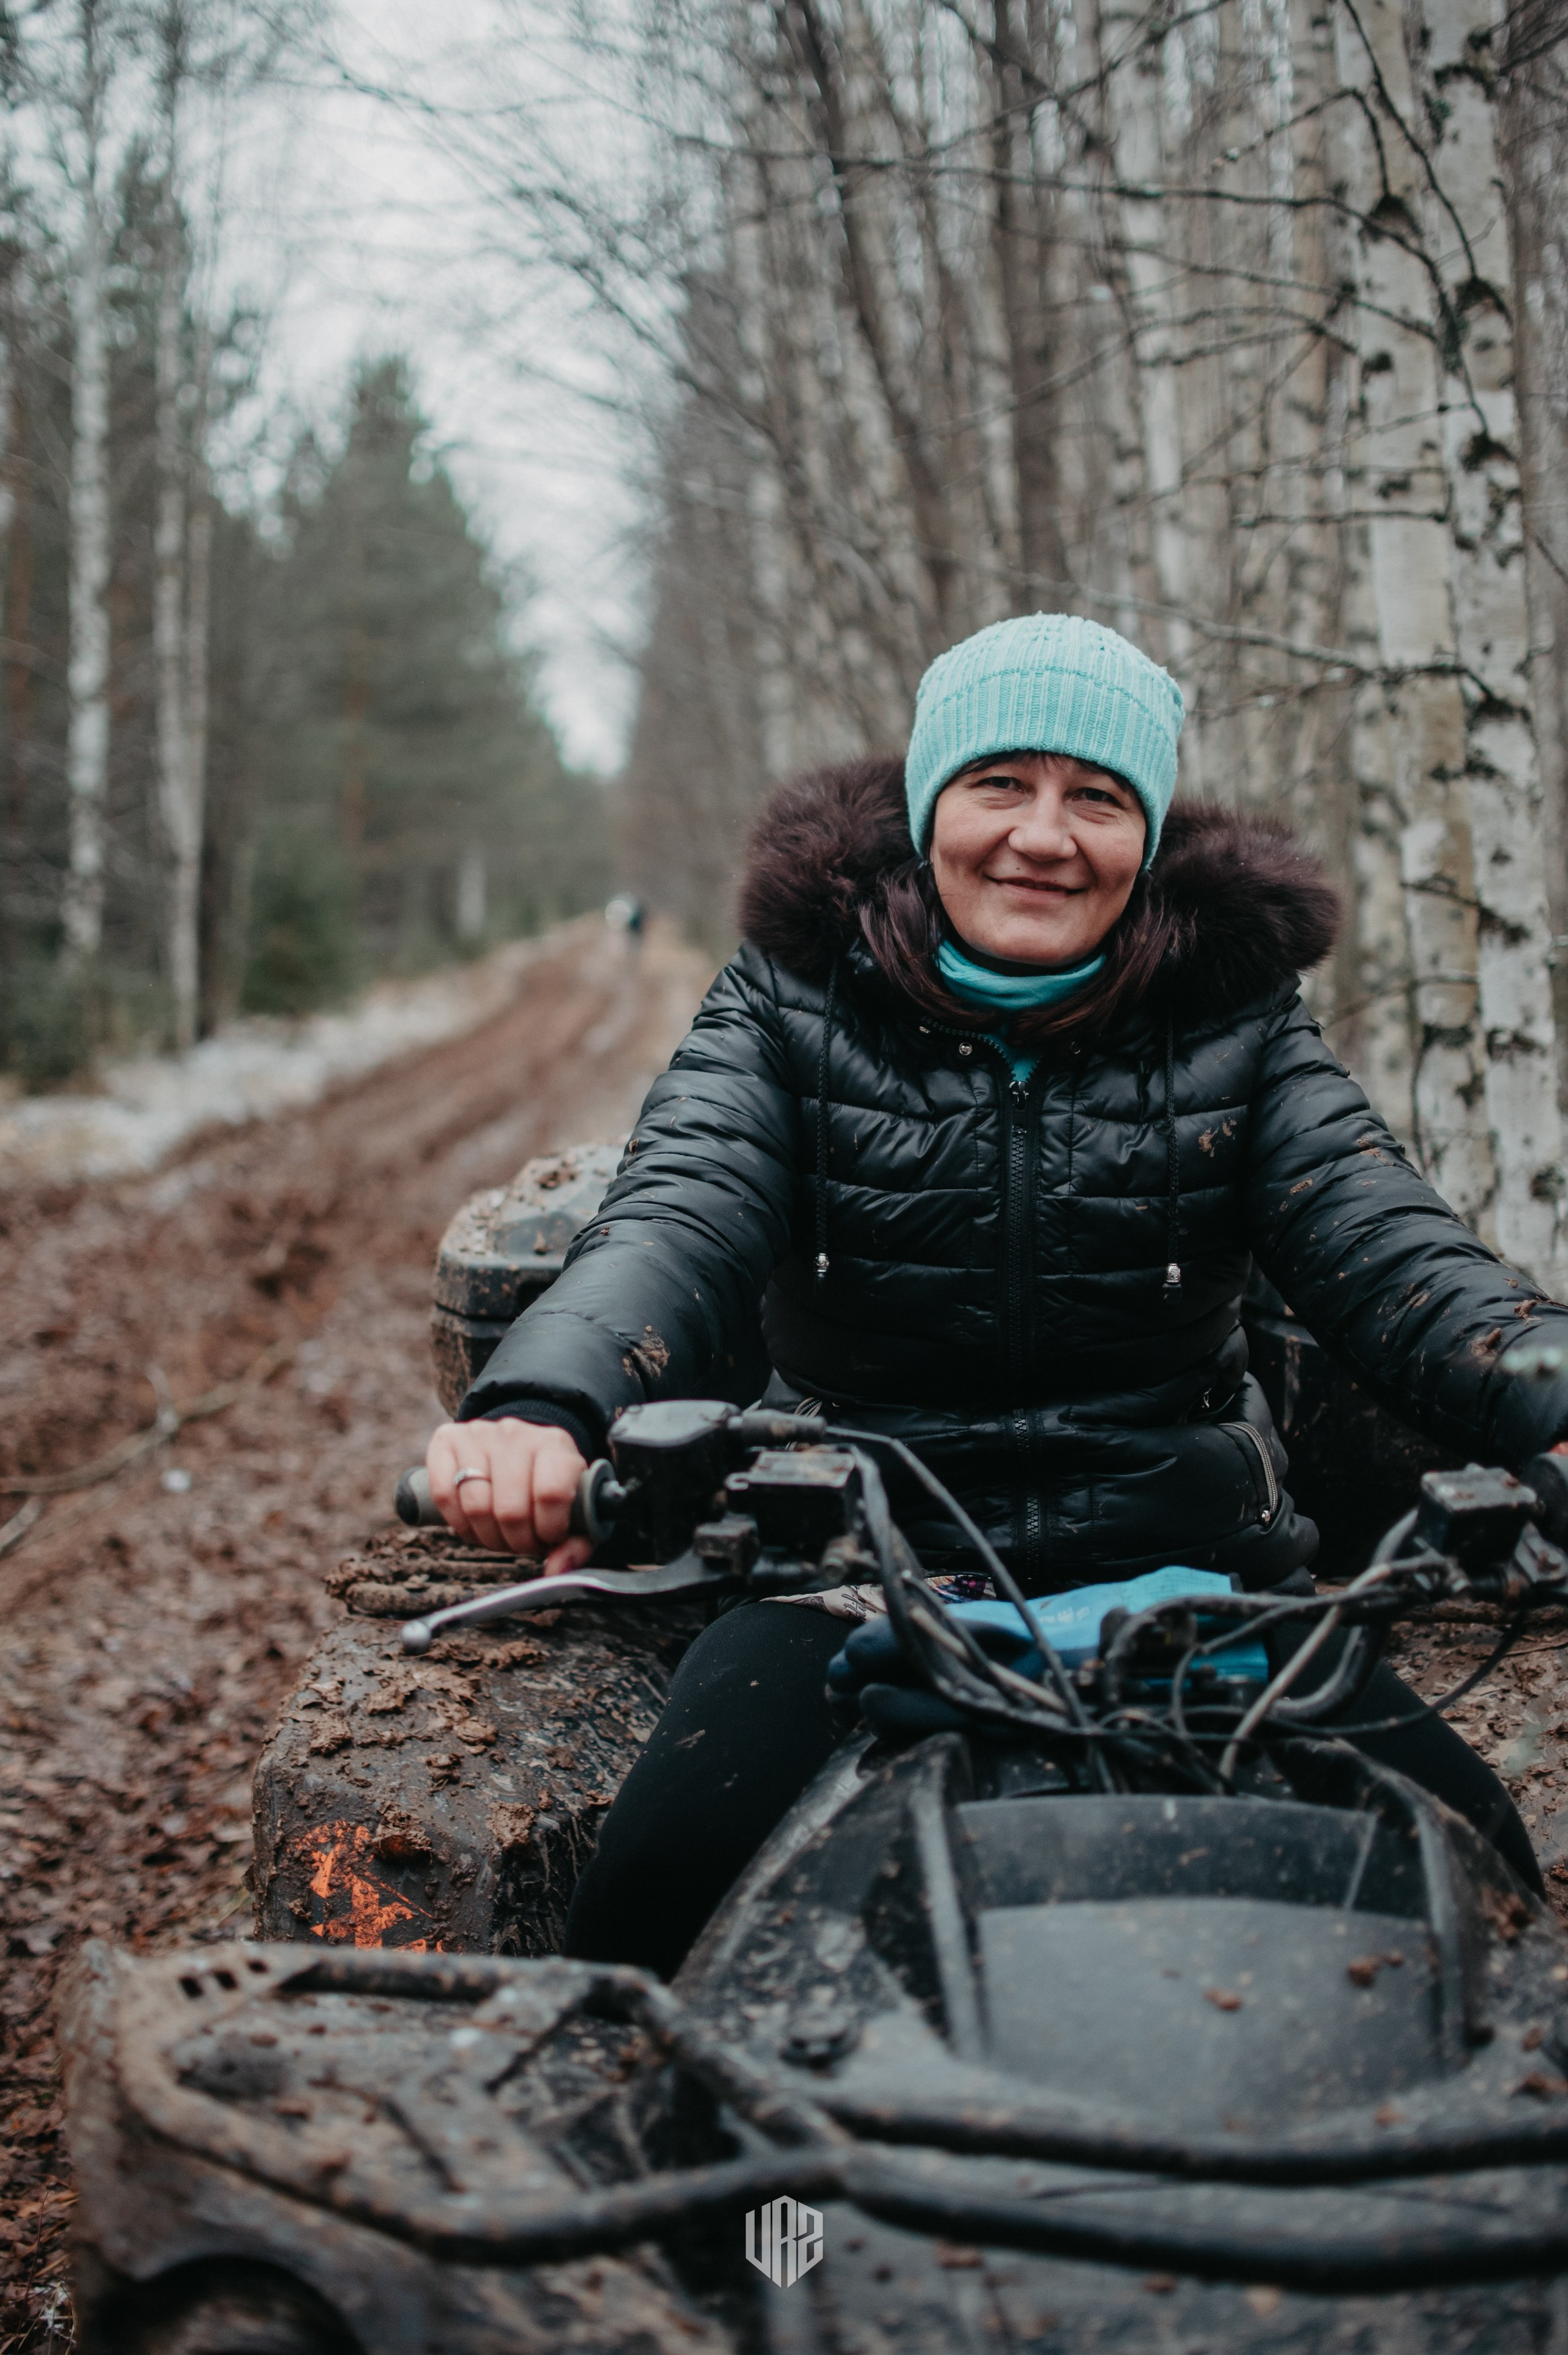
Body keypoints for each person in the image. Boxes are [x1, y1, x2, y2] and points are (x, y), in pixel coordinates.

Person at [426, 612, 1568, 1977]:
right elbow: (677, 1213)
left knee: (1477, 1867)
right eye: (997, 786)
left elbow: (1391, 1250)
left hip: (1197, 1579)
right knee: (648, 1905)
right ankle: (699, 2202)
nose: (1043, 835)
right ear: (928, 809)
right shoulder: (791, 1001)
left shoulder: (1233, 1017)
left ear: (1143, 834)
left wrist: (1551, 1397)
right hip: (848, 1569)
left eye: (1094, 796)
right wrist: (543, 1408)